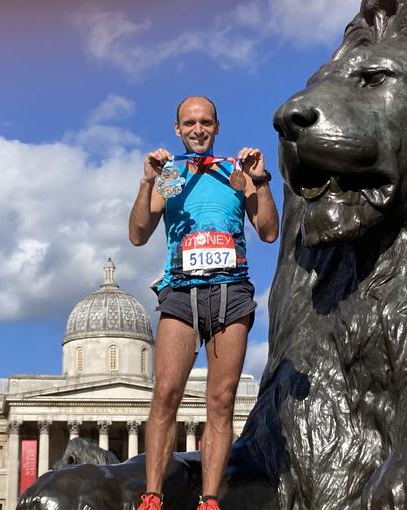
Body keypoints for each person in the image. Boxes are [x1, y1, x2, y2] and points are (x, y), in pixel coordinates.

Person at [128, 96, 279, 510]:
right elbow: (138, 235)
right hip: (180, 291)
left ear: (216, 127)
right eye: (189, 123)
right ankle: (152, 495)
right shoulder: (168, 175)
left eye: (205, 122)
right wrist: (146, 182)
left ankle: (209, 499)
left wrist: (260, 179)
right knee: (166, 393)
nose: (198, 129)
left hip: (231, 292)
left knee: (221, 398)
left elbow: (268, 232)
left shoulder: (237, 171)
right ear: (177, 129)